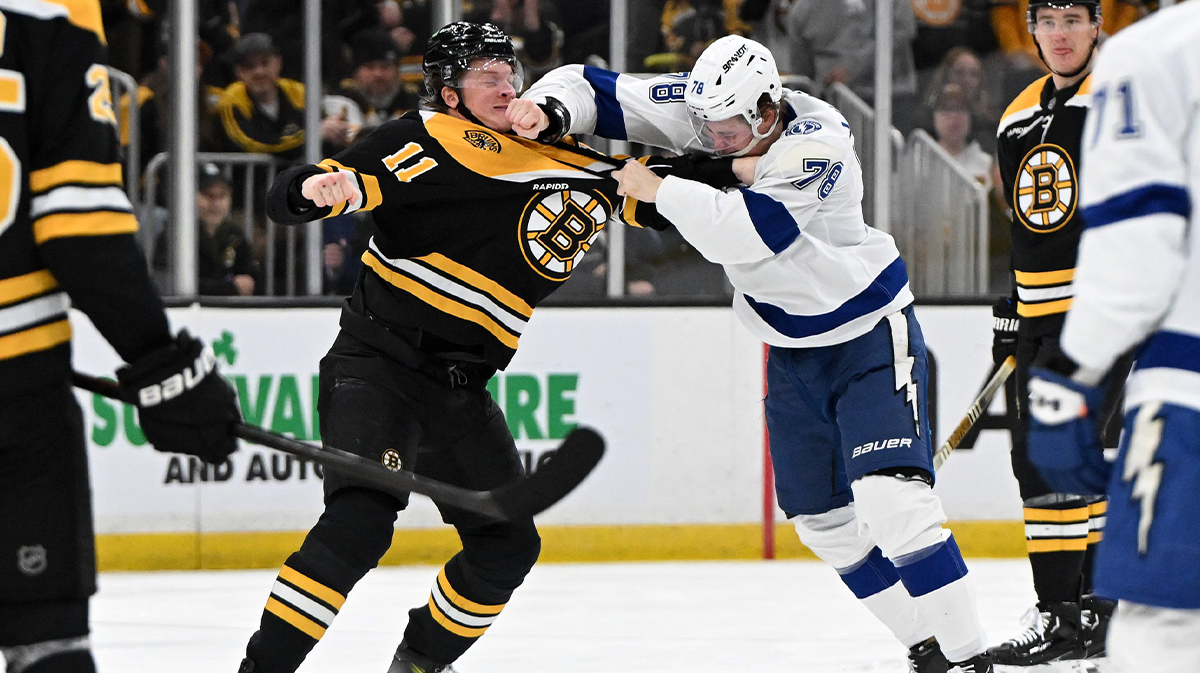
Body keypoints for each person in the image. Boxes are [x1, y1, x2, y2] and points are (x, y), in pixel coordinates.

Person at [515, 35, 995, 673]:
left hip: (868, 339)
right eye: (707, 125)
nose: (715, 135)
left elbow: (750, 233)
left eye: (732, 126)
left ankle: (970, 659)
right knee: (823, 524)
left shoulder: (821, 141)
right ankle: (926, 646)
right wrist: (547, 110)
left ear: (769, 108)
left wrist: (660, 189)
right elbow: (598, 89)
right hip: (791, 351)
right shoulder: (713, 109)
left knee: (894, 505)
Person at [232, 21, 698, 673]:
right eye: (487, 76)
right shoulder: (422, 140)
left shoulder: (572, 164)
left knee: (507, 546)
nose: (505, 86)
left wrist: (747, 164)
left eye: (509, 74)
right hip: (379, 366)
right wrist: (313, 189)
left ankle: (419, 663)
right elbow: (311, 190)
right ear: (450, 93)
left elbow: (680, 197)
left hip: (461, 391)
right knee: (358, 526)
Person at [0, 3, 242, 672]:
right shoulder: (49, 11)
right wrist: (164, 366)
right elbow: (80, 225)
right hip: (14, 386)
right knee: (44, 646)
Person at [1025, 5, 1200, 671]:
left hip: (1189, 387)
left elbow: (1137, 245)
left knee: (1162, 634)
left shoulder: (1154, 51)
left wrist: (1070, 369)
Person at [990, 0, 1130, 664]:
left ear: (1098, 26)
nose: (1061, 34)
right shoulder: (1017, 115)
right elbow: (1028, 225)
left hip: (1107, 315)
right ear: (1032, 30)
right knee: (1044, 466)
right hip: (1044, 319)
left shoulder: (1125, 99)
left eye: (1075, 18)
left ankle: (1087, 613)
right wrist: (1014, 303)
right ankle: (1075, 615)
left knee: (1076, 462)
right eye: (1048, 21)